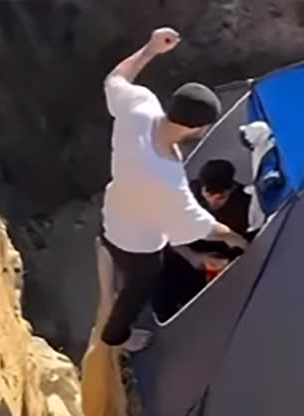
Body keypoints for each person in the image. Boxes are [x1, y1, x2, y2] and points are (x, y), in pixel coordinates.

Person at [100, 27, 249, 352]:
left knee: (118, 255)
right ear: (195, 127)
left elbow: (115, 78)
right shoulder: (165, 179)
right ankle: (116, 337)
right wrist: (238, 239)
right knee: (139, 286)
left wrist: (151, 49)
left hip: (114, 210)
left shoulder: (141, 106)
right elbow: (202, 225)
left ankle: (108, 265)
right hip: (136, 243)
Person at [153, 159, 253, 321]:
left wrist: (226, 261)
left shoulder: (244, 205)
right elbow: (165, 231)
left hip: (220, 252)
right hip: (187, 248)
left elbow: (244, 243)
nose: (212, 202)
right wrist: (193, 257)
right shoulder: (185, 195)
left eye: (220, 197)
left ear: (231, 189)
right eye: (208, 194)